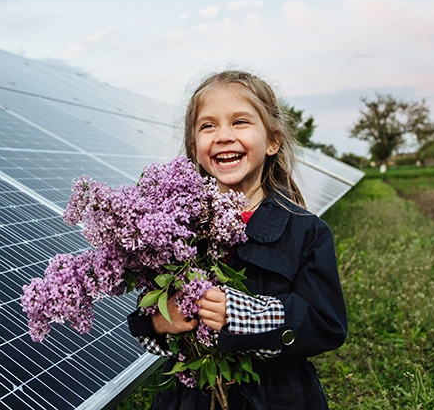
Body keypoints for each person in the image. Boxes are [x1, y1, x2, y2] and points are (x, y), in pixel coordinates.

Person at [127, 70, 348, 409]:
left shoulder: (306, 232)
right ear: (193, 148)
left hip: (275, 395)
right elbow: (147, 314)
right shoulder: (177, 227)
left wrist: (240, 314)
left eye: (240, 122)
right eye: (208, 126)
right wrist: (159, 319)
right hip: (191, 396)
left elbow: (326, 323)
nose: (223, 136)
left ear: (273, 141)